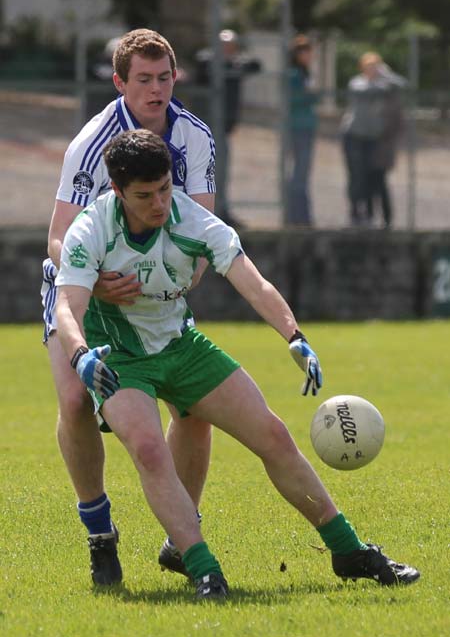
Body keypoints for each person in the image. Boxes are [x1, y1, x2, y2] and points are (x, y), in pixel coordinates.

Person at [55, 129, 420, 600]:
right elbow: (68, 305)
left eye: (165, 188)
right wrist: (81, 355)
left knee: (272, 434)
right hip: (118, 359)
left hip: (182, 346)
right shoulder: (92, 227)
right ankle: (205, 569)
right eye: (144, 196)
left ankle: (348, 551)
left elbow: (254, 283)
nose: (159, 203)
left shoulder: (194, 221)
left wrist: (294, 336)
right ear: (118, 190)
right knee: (147, 449)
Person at [40, 28, 217, 586]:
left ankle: (180, 537)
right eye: (143, 79)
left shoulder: (195, 138)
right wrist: (100, 281)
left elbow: (205, 231)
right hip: (86, 287)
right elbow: (57, 237)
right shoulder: (92, 143)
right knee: (74, 401)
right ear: (120, 83)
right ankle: (100, 534)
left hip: (157, 294)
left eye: (164, 77)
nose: (156, 89)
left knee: (194, 409)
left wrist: (173, 279)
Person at [194, 29, 261, 227]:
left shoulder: (234, 64)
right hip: (208, 127)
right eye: (224, 46)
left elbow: (256, 65)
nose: (228, 50)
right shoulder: (207, 60)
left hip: (224, 127)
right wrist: (227, 62)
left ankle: (221, 210)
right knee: (210, 173)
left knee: (222, 172)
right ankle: (212, 212)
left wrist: (234, 63)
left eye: (231, 47)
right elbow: (203, 64)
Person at [341, 52, 406, 227]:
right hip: (354, 136)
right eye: (369, 66)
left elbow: (402, 84)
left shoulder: (384, 83)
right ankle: (355, 212)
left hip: (372, 138)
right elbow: (365, 92)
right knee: (356, 176)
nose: (372, 70)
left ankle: (373, 216)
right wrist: (383, 83)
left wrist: (386, 74)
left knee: (372, 176)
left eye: (375, 66)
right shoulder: (357, 82)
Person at [287, 34, 319, 226]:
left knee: (304, 172)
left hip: (307, 126)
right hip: (297, 126)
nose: (308, 56)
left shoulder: (306, 73)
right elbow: (292, 99)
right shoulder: (294, 74)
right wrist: (309, 96)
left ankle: (302, 214)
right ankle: (297, 215)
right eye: (304, 52)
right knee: (299, 172)